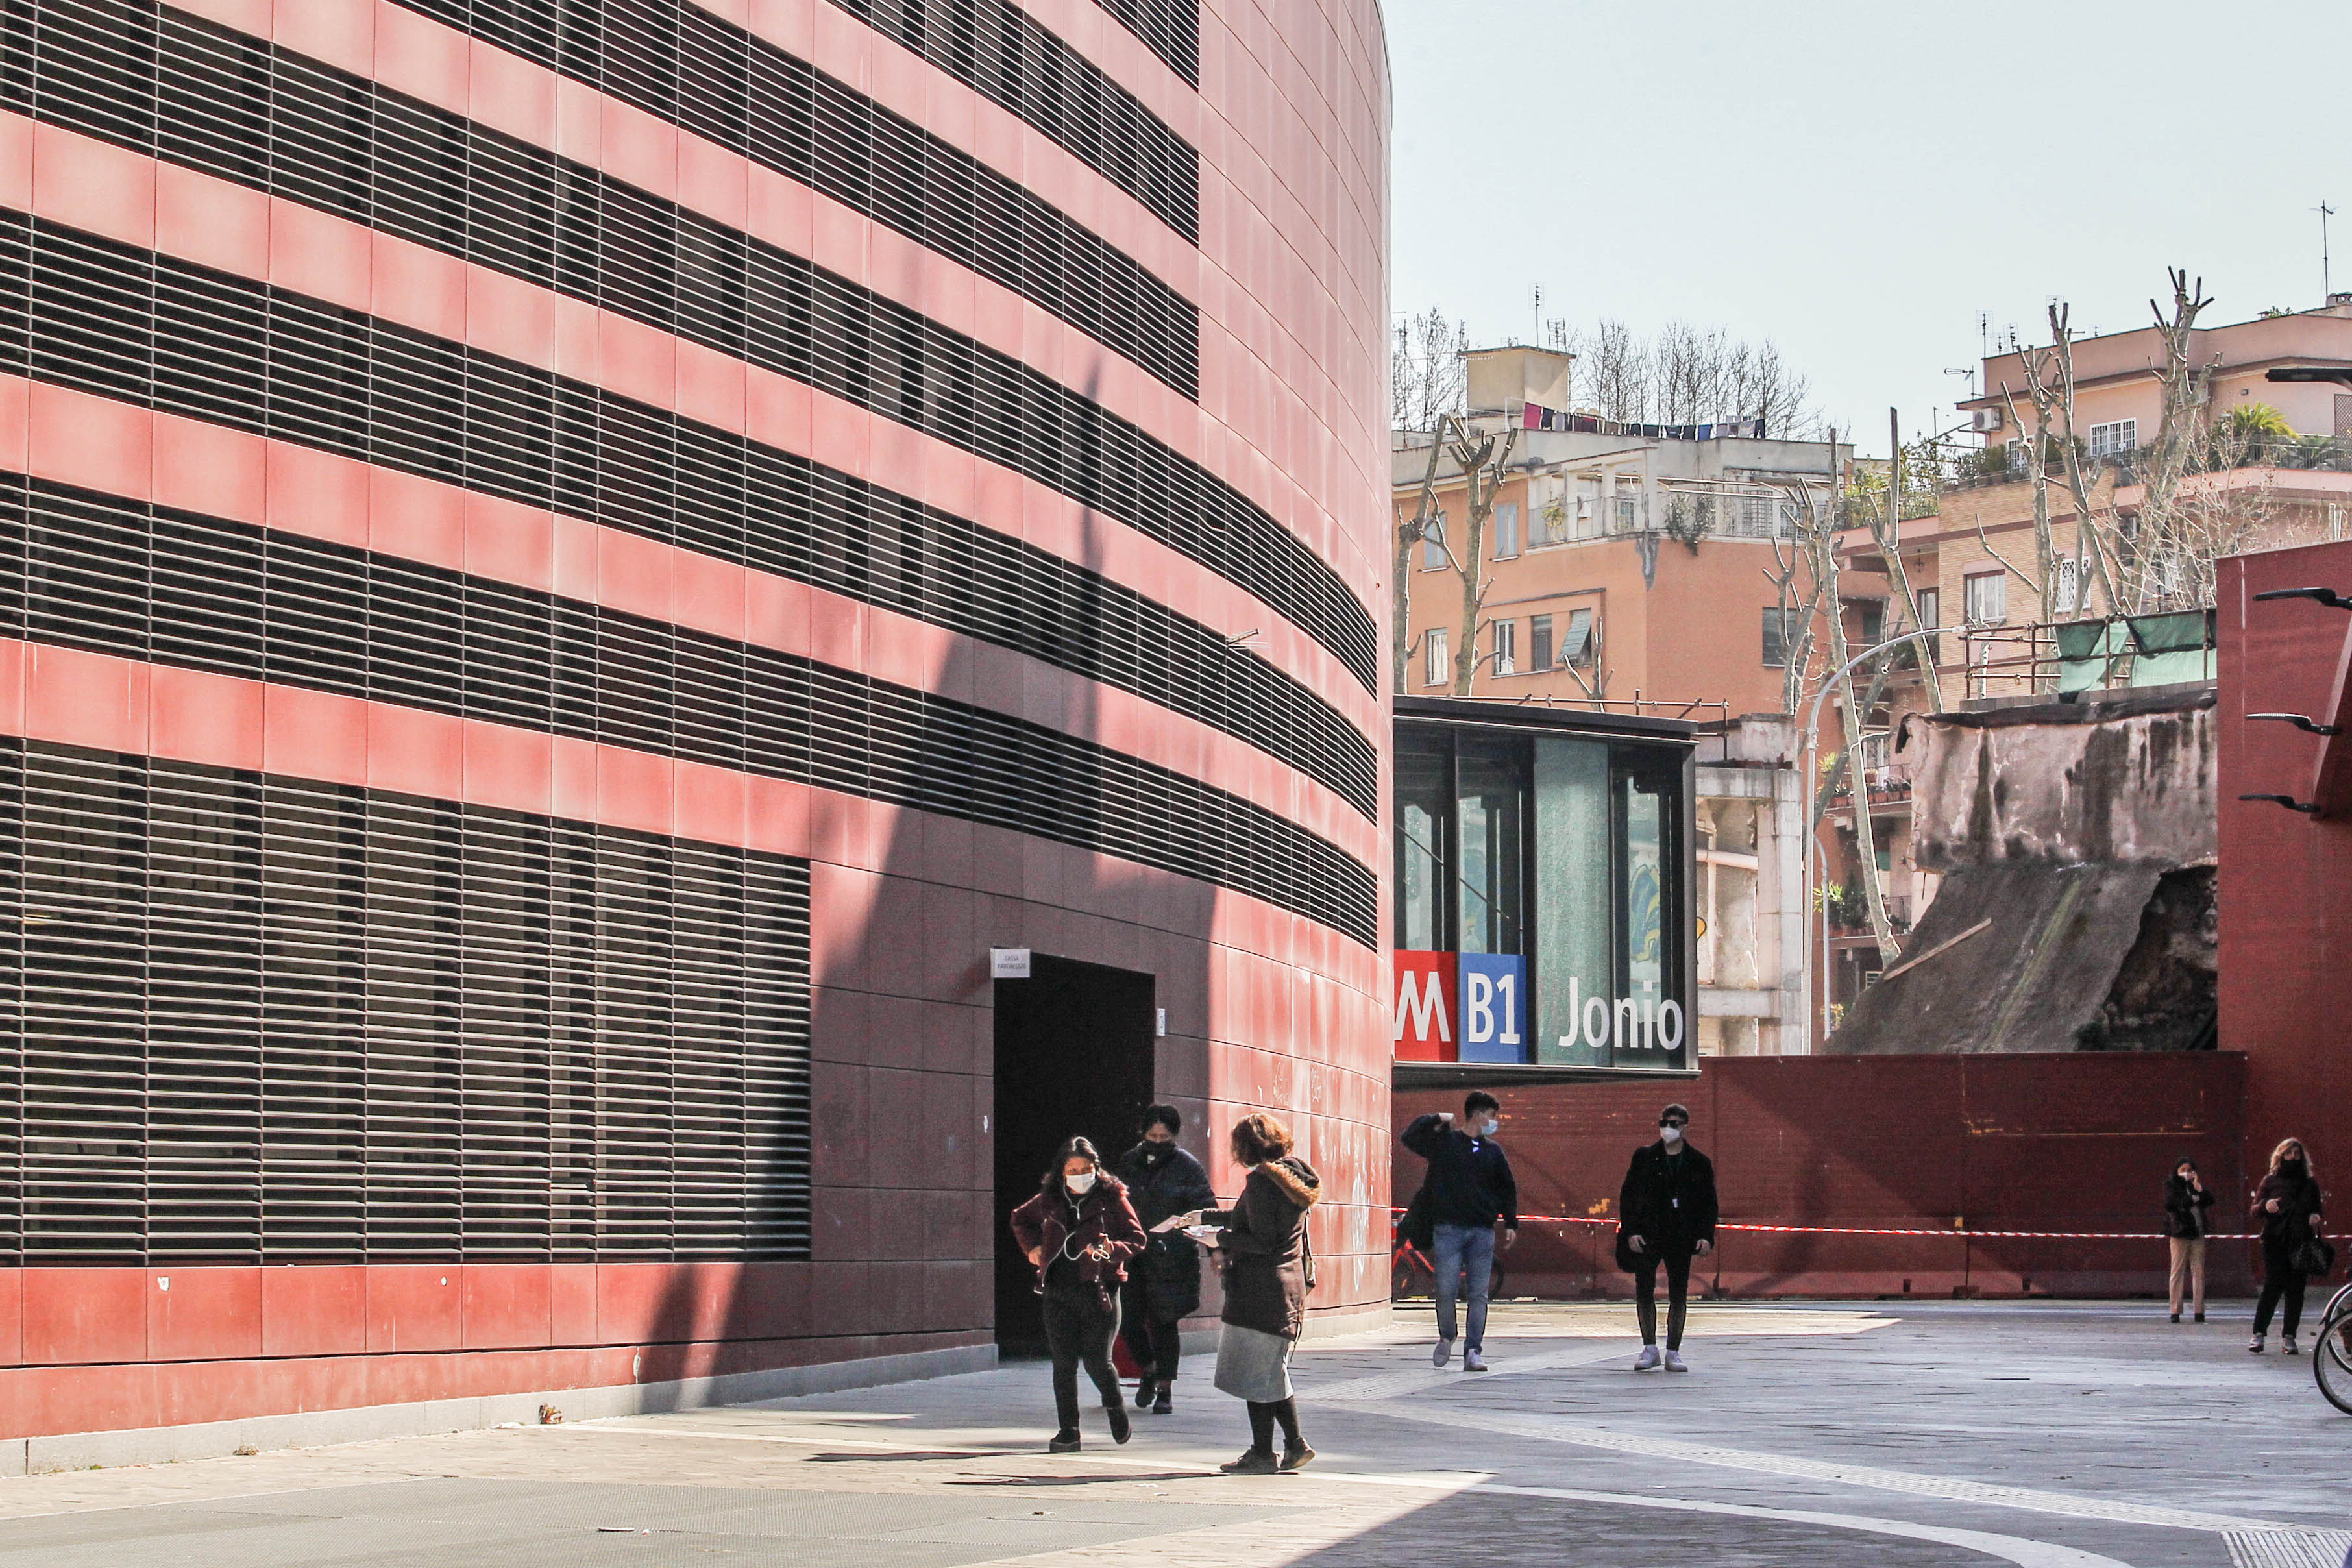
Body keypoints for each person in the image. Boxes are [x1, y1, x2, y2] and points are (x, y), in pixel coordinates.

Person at [1176, 1112, 1321, 1475]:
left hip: (1259, 1291)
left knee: (1256, 1376)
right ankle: (1294, 1445)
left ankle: (1262, 1453)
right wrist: (1206, 1216)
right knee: (1270, 1373)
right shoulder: (1291, 1177)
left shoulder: (1261, 1182)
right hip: (1285, 1288)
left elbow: (1260, 1238)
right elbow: (1254, 1220)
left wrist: (1215, 1239)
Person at [1007, 1136, 1146, 1452]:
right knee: (1063, 1363)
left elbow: (1137, 1238)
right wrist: (1033, 1249)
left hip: (1099, 1290)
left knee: (1098, 1361)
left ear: (1097, 1168)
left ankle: (1114, 1406)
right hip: (1058, 1290)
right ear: (1062, 1172)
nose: (1081, 1175)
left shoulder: (1112, 1197)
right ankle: (1068, 1431)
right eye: (1073, 1170)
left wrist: (1112, 1249)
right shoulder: (1050, 1198)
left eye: (1087, 1169)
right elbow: (1020, 1219)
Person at [1400, 1092, 1519, 1371]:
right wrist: (1438, 1118)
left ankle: (1473, 1351)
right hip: (1448, 1230)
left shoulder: (1493, 1151)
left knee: (1478, 1293)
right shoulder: (1446, 1142)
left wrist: (1511, 1222)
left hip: (1482, 1231)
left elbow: (1507, 1188)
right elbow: (1410, 1137)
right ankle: (1447, 1335)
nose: (1495, 1122)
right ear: (1480, 1115)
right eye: (1493, 1116)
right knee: (1445, 1289)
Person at [1113, 1105, 1216, 1414]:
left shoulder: (1187, 1166)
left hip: (1172, 1257)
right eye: (1152, 1135)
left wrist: (1215, 1249)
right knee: (1128, 1321)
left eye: (1164, 1136)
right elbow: (1115, 1201)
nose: (1158, 1141)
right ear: (1143, 1134)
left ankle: (1165, 1388)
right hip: (1133, 1255)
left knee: (1164, 1322)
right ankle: (1149, 1367)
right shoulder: (1129, 1162)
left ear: (1174, 1136)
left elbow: (1205, 1207)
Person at [1615, 1102, 1717, 1373]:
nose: (1667, 1129)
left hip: (1681, 1235)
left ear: (1685, 1126)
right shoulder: (1645, 1157)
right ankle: (1649, 1348)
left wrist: (1706, 1236)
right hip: (1649, 1233)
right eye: (1664, 1123)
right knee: (1644, 1289)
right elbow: (1629, 1196)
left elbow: (1709, 1203)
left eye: (1673, 1124)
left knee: (1679, 1293)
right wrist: (1631, 1231)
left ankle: (1674, 1350)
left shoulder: (1699, 1162)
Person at [2248, 1136, 2325, 1356]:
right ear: (2280, 1156)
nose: (2292, 1158)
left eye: (2296, 1154)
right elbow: (2255, 1210)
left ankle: (2289, 1336)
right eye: (2288, 1153)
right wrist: (2265, 1205)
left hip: (2301, 1241)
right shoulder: (2270, 1180)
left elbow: (2318, 1209)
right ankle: (2259, 1333)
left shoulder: (2309, 1183)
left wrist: (2314, 1217)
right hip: (2275, 1240)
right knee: (2272, 1287)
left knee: (2296, 1290)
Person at [2163, 1157, 2216, 1323]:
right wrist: (2192, 1197)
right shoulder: (2171, 1185)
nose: (2187, 1173)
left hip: (2197, 1233)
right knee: (2177, 1271)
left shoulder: (2196, 1186)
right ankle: (2175, 1310)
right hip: (2179, 1232)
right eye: (2183, 1170)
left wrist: (2199, 1191)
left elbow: (2209, 1200)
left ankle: (2199, 1311)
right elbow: (2172, 1204)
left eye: (2190, 1170)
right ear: (2177, 1171)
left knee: (2198, 1271)